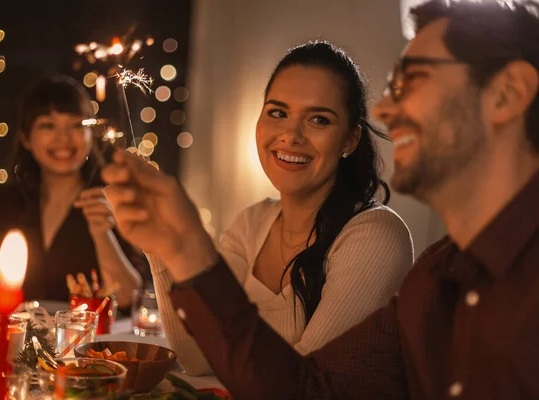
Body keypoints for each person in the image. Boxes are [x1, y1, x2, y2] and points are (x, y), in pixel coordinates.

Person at [104, 0, 539, 398]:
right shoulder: (435, 278)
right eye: (277, 111)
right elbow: (306, 390)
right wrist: (176, 248)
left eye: (416, 80)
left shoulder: (393, 244)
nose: (385, 109)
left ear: (508, 94)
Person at [148, 41, 413, 375]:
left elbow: (303, 383)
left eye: (319, 119)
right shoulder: (252, 223)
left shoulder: (375, 236)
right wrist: (161, 245)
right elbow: (198, 360)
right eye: (278, 112)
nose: (290, 135)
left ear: (350, 139)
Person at [0, 75, 146, 308]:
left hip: (88, 342)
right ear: (26, 138)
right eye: (47, 125)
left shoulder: (113, 197)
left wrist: (102, 233)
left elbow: (129, 299)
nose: (64, 139)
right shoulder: (6, 203)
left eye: (76, 125)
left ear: (91, 135)